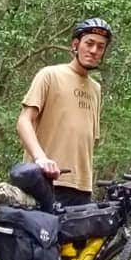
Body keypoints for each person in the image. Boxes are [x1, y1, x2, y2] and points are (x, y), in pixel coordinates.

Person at [16, 16, 112, 208]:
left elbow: (90, 137)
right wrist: (40, 158)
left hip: (81, 187)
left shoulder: (96, 89)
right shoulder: (50, 75)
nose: (94, 51)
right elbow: (24, 121)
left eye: (100, 47)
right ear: (76, 45)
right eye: (89, 43)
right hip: (45, 180)